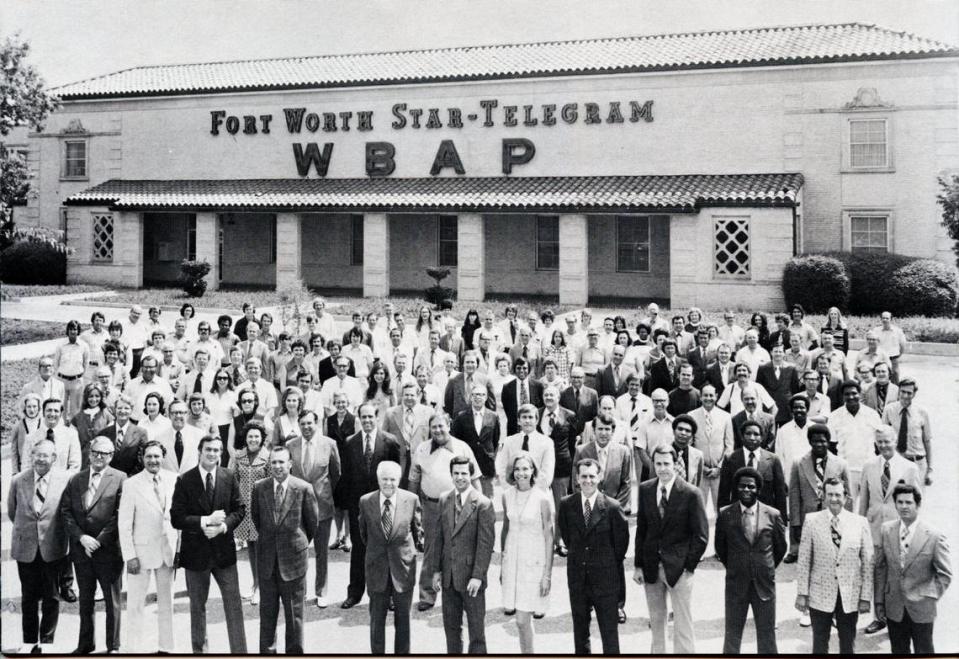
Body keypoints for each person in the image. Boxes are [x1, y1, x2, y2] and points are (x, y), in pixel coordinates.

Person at [170, 434, 248, 654]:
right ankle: (200, 652)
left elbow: (240, 509)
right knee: (197, 608)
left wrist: (223, 527)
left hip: (224, 552)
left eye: (216, 450)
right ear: (199, 452)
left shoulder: (229, 476)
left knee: (234, 606)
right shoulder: (185, 480)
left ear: (220, 453)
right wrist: (205, 521)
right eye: (208, 450)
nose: (212, 454)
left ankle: (240, 652)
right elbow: (177, 517)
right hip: (196, 555)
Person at [633, 444, 709, 654]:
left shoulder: (691, 493)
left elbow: (701, 536)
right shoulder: (646, 489)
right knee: (657, 621)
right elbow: (642, 529)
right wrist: (638, 565)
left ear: (676, 464)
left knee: (683, 624)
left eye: (667, 463)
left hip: (679, 569)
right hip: (651, 567)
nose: (662, 468)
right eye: (658, 463)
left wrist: (688, 567)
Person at [407, 413, 482, 611]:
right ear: (429, 429)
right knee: (432, 549)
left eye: (442, 426)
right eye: (434, 427)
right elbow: (413, 481)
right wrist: (411, 509)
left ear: (449, 426)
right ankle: (427, 594)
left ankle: (463, 594)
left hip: (458, 505)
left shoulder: (462, 447)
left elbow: (474, 478)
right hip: (431, 506)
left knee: (460, 548)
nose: (438, 430)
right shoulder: (422, 449)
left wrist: (480, 505)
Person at [60, 436, 126, 654]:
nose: (99, 457)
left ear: (111, 456)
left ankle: (113, 647)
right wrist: (81, 538)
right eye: (95, 452)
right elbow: (66, 512)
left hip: (108, 550)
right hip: (82, 550)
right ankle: (86, 644)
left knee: (112, 602)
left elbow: (120, 515)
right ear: (89, 454)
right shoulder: (76, 479)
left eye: (105, 454)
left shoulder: (121, 479)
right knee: (86, 600)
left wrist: (98, 540)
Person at [251, 444, 319, 654]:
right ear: (269, 464)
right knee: (267, 614)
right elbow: (257, 519)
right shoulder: (259, 487)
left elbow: (312, 523)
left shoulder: (304, 488)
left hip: (294, 563)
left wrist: (296, 544)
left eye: (282, 462)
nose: (278, 466)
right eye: (274, 462)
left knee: (294, 615)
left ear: (290, 464)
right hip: (267, 561)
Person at [558, 458, 629, 654]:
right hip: (578, 579)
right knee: (580, 632)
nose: (587, 480)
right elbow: (568, 537)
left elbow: (620, 547)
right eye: (583, 476)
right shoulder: (566, 504)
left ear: (599, 477)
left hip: (605, 580)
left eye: (591, 476)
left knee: (609, 633)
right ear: (577, 479)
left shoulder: (612, 507)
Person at [795, 477, 874, 654]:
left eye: (838, 495)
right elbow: (804, 560)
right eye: (829, 494)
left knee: (848, 643)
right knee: (819, 643)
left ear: (846, 497)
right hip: (819, 593)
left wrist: (865, 597)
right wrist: (802, 593)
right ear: (823, 496)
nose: (834, 499)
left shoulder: (859, 522)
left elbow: (868, 562)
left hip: (850, 594)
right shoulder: (811, 521)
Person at [7, 439, 72, 654]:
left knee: (52, 598)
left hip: (53, 547)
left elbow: (66, 512)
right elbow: (12, 511)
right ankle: (28, 642)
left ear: (54, 458)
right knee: (28, 598)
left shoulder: (65, 480)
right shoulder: (18, 480)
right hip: (26, 548)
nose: (41, 459)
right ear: (31, 456)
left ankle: (46, 642)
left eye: (46, 455)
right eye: (37, 455)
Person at [714, 466, 787, 655]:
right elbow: (720, 548)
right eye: (742, 486)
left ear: (758, 489)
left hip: (764, 584)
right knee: (732, 635)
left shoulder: (772, 514)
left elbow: (780, 548)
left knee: (767, 635)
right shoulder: (725, 514)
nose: (746, 490)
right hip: (736, 583)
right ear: (736, 489)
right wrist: (738, 566)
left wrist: (765, 566)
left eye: (751, 487)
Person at [859, 425, 923, 635]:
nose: (884, 445)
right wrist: (862, 528)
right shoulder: (868, 466)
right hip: (875, 527)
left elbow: (916, 501)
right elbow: (864, 501)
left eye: (888, 441)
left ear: (895, 441)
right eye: (880, 442)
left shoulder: (909, 468)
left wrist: (913, 530)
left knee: (899, 572)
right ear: (876, 444)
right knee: (878, 570)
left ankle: (901, 617)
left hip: (899, 529)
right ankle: (879, 617)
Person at [874, 483, 952, 653]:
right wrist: (879, 600)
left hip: (922, 608)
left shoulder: (933, 536)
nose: (903, 506)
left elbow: (945, 574)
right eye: (900, 502)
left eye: (908, 502)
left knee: (924, 651)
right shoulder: (886, 530)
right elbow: (880, 568)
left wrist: (927, 596)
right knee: (898, 650)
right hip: (894, 606)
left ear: (918, 505)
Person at [430, 455, 496, 654]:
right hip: (449, 577)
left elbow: (485, 545)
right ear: (451, 475)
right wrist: (435, 571)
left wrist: (477, 575)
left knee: (476, 631)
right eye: (456, 473)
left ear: (471, 474)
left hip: (471, 579)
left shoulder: (483, 503)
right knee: (451, 629)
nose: (460, 478)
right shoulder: (444, 499)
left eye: (464, 473)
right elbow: (438, 538)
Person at [117, 439, 179, 653]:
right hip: (140, 553)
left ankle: (166, 647)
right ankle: (133, 649)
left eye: (157, 456)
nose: (153, 460)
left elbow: (178, 519)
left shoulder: (174, 480)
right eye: (149, 456)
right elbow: (124, 524)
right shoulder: (131, 484)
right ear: (142, 458)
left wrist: (178, 549)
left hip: (167, 551)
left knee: (167, 604)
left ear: (163, 457)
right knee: (135, 605)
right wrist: (129, 556)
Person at [339, 403, 402, 609]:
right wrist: (348, 506)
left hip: (383, 504)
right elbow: (346, 477)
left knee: (385, 549)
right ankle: (355, 593)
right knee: (359, 549)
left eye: (370, 417)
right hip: (359, 506)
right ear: (359, 419)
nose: (366, 421)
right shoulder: (350, 443)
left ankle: (390, 595)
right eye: (363, 418)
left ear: (377, 417)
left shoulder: (390, 442)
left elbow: (395, 475)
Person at [359, 460, 423, 654]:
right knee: (376, 621)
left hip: (403, 569)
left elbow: (418, 531)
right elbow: (364, 535)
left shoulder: (411, 500)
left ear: (399, 479)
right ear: (378, 480)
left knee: (403, 622)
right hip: (376, 568)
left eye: (393, 479)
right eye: (384, 479)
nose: (388, 483)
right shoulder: (366, 501)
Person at [286, 410, 341, 609]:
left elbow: (336, 474)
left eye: (310, 423)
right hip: (297, 506)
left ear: (316, 423)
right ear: (298, 425)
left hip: (322, 505)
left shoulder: (329, 444)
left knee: (321, 552)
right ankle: (299, 590)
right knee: (298, 551)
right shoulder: (291, 446)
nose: (306, 427)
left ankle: (322, 591)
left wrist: (325, 494)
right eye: (303, 424)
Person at [499, 452, 554, 652]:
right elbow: (505, 529)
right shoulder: (506, 495)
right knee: (519, 621)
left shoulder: (542, 498)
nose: (521, 473)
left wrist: (547, 574)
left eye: (525, 468)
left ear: (533, 471)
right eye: (517, 469)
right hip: (512, 562)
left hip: (534, 564)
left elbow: (549, 536)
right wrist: (502, 566)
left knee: (522, 619)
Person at [785, 424, 852, 570]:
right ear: (809, 441)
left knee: (830, 560)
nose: (819, 444)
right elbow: (794, 495)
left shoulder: (841, 464)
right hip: (807, 517)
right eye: (815, 441)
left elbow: (849, 496)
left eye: (822, 441)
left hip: (832, 518)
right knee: (808, 562)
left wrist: (847, 522)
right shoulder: (799, 463)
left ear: (828, 442)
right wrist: (795, 523)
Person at [228, 421, 270, 606]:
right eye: (250, 436)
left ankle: (262, 587)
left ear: (262, 439)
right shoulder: (238, 456)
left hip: (262, 507)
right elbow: (232, 480)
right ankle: (254, 584)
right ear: (245, 438)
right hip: (245, 508)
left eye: (257, 436)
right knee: (251, 548)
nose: (253, 439)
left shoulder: (268, 456)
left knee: (261, 548)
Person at [828, 379, 883, 503]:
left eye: (854, 393)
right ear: (843, 396)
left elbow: (879, 444)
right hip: (846, 470)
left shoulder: (872, 415)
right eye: (847, 394)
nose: (851, 397)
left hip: (869, 467)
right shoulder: (834, 416)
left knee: (870, 506)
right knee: (849, 507)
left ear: (859, 394)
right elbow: (831, 446)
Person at [449, 384, 501, 498]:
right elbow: (455, 440)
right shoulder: (461, 417)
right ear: (471, 397)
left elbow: (495, 440)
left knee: (486, 501)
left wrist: (491, 457)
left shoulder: (493, 416)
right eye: (476, 394)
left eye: (482, 395)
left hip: (486, 466)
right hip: (467, 466)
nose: (479, 397)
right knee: (467, 499)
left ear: (486, 397)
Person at [689, 384, 734, 513]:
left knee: (721, 509)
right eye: (705, 395)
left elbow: (729, 445)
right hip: (699, 472)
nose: (708, 398)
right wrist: (701, 466)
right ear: (700, 397)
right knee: (698, 509)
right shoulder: (691, 415)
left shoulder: (726, 417)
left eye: (711, 395)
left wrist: (720, 467)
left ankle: (720, 533)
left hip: (719, 472)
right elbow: (689, 445)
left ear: (716, 397)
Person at [882, 378, 933, 486]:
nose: (905, 396)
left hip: (917, 462)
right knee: (895, 499)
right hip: (896, 462)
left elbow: (927, 441)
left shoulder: (922, 412)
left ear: (914, 394)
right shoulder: (889, 410)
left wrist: (930, 470)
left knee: (917, 499)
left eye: (909, 393)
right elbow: (883, 439)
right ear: (898, 392)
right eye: (903, 392)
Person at [380, 381, 432, 486]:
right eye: (406, 395)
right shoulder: (390, 413)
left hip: (420, 461)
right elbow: (383, 439)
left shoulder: (428, 412)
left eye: (412, 395)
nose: (409, 398)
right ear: (402, 395)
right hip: (398, 461)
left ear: (418, 395)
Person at [326, 391, 356, 552]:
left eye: (343, 402)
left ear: (348, 403)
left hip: (349, 464)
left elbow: (357, 442)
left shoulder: (354, 420)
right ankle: (337, 535)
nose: (341, 405)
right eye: (338, 402)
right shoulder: (329, 420)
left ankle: (348, 537)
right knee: (337, 504)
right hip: (333, 465)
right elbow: (325, 442)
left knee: (348, 505)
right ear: (334, 403)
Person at [23, 398, 82, 474]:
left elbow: (75, 466)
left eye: (56, 411)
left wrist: (62, 481)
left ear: (60, 414)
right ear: (43, 413)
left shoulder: (71, 435)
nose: (52, 414)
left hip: (63, 483)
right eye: (49, 410)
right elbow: (26, 467)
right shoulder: (31, 437)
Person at [756, 343, 801, 427]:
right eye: (775, 351)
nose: (778, 354)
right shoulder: (763, 368)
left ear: (784, 353)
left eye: (780, 351)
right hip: (769, 406)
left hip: (785, 407)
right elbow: (759, 388)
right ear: (771, 353)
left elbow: (795, 389)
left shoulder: (791, 368)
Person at [70, 383, 114, 470]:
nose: (94, 399)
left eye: (97, 396)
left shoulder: (107, 416)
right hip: (83, 458)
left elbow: (111, 440)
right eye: (91, 396)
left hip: (101, 457)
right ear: (86, 397)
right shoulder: (77, 418)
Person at [444, 351, 496, 419]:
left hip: (479, 422)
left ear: (477, 364)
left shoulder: (486, 381)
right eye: (467, 362)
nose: (470, 365)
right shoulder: (453, 381)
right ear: (463, 364)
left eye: (472, 362)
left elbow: (491, 406)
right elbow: (448, 405)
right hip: (459, 423)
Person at [53, 320, 89, 418]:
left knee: (76, 409)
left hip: (76, 381)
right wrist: (59, 375)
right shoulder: (60, 345)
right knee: (60, 407)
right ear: (67, 331)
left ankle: (74, 430)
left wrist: (80, 375)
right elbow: (56, 362)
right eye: (71, 329)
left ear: (78, 331)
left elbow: (86, 363)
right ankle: (61, 427)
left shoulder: (84, 346)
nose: (73, 331)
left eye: (75, 329)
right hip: (62, 380)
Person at [501, 357, 544, 436]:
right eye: (518, 368)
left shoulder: (538, 386)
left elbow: (541, 407)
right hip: (515, 428)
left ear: (529, 369)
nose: (521, 371)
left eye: (524, 368)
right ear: (514, 369)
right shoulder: (507, 388)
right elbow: (507, 410)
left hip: (534, 427)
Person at [730, 385, 777, 450]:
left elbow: (771, 443)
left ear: (757, 398)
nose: (750, 402)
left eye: (752, 398)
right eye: (746, 399)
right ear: (742, 400)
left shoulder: (769, 419)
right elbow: (736, 444)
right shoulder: (735, 420)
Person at [11, 393, 44, 474]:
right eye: (29, 406)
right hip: (24, 467)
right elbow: (14, 451)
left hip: (42, 465)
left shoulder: (44, 423)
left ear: (39, 407)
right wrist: (15, 471)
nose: (32, 410)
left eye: (34, 406)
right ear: (24, 407)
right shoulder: (18, 426)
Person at [671, 414, 704, 487]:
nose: (683, 433)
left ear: (692, 435)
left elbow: (697, 485)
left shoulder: (698, 455)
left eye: (687, 431)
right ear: (673, 431)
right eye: (680, 429)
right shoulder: (662, 452)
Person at [874, 311, 907, 383]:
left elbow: (902, 345)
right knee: (880, 378)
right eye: (883, 318)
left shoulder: (898, 331)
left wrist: (898, 355)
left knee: (894, 377)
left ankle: (894, 392)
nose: (885, 320)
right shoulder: (876, 330)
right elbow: (873, 343)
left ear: (891, 319)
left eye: (887, 318)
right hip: (881, 359)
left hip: (893, 358)